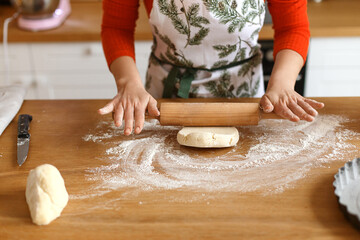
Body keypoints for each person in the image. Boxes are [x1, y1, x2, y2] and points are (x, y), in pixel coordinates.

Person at [98, 0, 325, 136]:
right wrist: (128, 83)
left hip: (244, 99)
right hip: (164, 98)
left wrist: (283, 84)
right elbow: (116, 27)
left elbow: (293, 27)